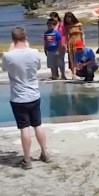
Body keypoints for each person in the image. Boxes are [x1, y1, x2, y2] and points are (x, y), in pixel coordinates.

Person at [2, 27, 51, 170]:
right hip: (33, 94)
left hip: (18, 97)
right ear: (25, 37)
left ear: (12, 39)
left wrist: (11, 51)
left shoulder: (8, 55)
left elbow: (5, 69)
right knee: (38, 124)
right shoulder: (34, 53)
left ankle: (27, 159)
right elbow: (37, 67)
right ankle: (45, 153)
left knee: (24, 128)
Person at [64, 12, 84, 80]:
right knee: (71, 59)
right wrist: (66, 45)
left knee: (78, 58)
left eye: (69, 17)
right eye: (67, 18)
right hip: (70, 42)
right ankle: (73, 74)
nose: (68, 19)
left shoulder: (79, 24)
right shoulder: (67, 26)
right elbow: (66, 36)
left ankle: (80, 72)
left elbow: (82, 34)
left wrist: (83, 43)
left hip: (78, 42)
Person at [50, 11, 67, 80]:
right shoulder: (51, 25)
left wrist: (66, 43)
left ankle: (63, 75)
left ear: (57, 17)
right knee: (53, 60)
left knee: (61, 60)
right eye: (51, 18)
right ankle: (55, 74)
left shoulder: (62, 24)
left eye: (54, 18)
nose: (53, 19)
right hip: (53, 44)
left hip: (62, 43)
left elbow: (65, 33)